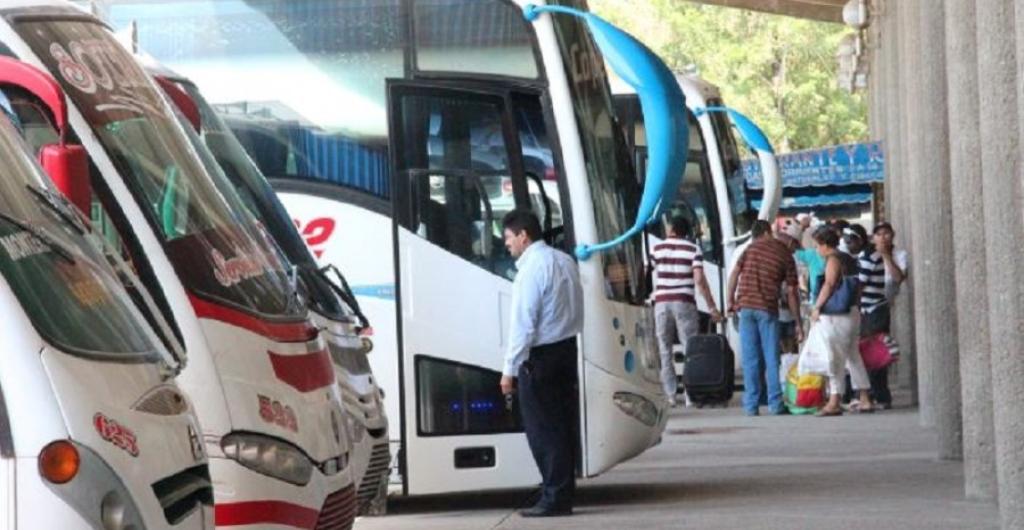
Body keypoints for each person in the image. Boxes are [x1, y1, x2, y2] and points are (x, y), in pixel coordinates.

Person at [499, 209, 583, 518]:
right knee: (562, 427)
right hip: (566, 351)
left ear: (523, 235)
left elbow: (523, 324)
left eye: (508, 238)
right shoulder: (565, 261)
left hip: (540, 359)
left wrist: (508, 370)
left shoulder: (532, 269)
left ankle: (554, 497)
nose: (506, 244)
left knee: (544, 431)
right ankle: (562, 492)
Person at [727, 220, 803, 416]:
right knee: (771, 358)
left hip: (745, 308)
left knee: (750, 359)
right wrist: (798, 322)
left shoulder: (750, 249)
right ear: (769, 232)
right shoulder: (785, 253)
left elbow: (734, 274)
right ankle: (775, 404)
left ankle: (751, 406)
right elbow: (793, 292)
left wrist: (730, 301)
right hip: (767, 309)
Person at [650, 216, 722, 405]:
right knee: (690, 348)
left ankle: (670, 395)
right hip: (684, 302)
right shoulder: (693, 249)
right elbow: (699, 280)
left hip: (661, 302)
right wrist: (712, 306)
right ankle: (690, 394)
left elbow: (647, 270)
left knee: (664, 349)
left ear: (671, 229)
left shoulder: (657, 249)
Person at [808, 227, 874, 416]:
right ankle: (864, 397)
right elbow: (858, 287)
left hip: (837, 315)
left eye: (817, 246)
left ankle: (834, 400)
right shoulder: (849, 259)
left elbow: (829, 284)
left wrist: (817, 307)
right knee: (853, 356)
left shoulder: (834, 259)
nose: (817, 250)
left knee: (835, 357)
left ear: (825, 245)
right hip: (852, 312)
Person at [857, 221, 908, 409]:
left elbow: (898, 278)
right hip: (866, 309)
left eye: (886, 233)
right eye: (879, 234)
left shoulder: (899, 255)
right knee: (865, 350)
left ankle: (881, 394)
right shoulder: (867, 256)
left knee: (879, 351)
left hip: (882, 307)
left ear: (892, 235)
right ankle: (867, 393)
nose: (883, 237)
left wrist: (886, 256)